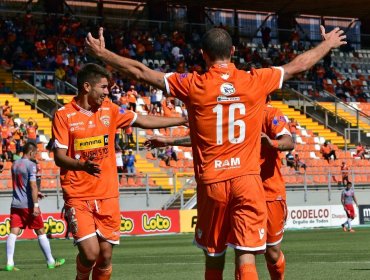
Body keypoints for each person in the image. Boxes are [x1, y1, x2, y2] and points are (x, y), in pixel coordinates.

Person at [86, 25, 346, 279]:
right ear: (233, 51)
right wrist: (328, 44)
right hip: (247, 180)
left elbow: (141, 72)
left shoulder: (192, 84)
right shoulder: (255, 80)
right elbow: (298, 65)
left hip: (212, 184)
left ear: (203, 54)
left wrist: (103, 54)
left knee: (214, 256)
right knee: (246, 255)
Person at [52, 63, 187, 280]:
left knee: (104, 257)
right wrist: (81, 166)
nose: (107, 92)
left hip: (108, 195)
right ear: (87, 86)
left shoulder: (110, 109)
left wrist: (182, 119)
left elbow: (142, 120)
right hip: (78, 194)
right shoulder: (63, 115)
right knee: (90, 254)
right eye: (103, 87)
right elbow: (59, 157)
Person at [145, 100, 295, 280]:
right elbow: (203, 137)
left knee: (272, 252)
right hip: (238, 189)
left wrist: (271, 143)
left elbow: (288, 141)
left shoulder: (270, 113)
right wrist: (169, 141)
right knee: (241, 250)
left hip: (268, 191)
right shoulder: (231, 113)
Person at [5, 142, 65, 271]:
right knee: (40, 231)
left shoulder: (14, 164)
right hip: (28, 205)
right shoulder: (31, 165)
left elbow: (22, 184)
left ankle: (10, 263)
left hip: (15, 203)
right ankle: (51, 261)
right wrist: (36, 204)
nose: (36, 155)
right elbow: (32, 185)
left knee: (13, 232)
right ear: (31, 152)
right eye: (36, 153)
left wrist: (36, 193)